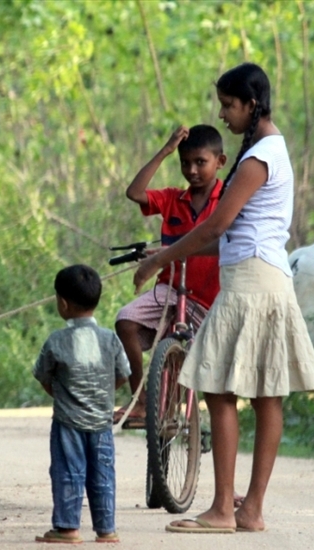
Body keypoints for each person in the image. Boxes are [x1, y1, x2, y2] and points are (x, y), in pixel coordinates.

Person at [133, 63, 314, 533]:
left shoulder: (259, 157)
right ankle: (250, 510)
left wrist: (160, 261)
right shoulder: (270, 150)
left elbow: (216, 226)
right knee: (265, 396)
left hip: (250, 282)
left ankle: (225, 508)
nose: (222, 114)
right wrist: (168, 251)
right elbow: (231, 236)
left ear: (250, 104)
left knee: (219, 388)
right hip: (265, 274)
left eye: (227, 105)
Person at [114, 124, 226, 427]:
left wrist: (169, 251)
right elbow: (134, 192)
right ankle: (140, 400)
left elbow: (226, 240)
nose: (192, 170)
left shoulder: (227, 200)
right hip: (170, 290)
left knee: (187, 362)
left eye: (200, 162)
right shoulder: (173, 199)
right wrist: (165, 150)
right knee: (125, 320)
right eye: (185, 163)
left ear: (220, 162)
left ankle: (174, 411)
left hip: (209, 300)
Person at [32, 264, 131, 544]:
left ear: (62, 303)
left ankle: (67, 528)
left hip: (68, 422)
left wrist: (63, 396)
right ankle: (106, 529)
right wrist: (102, 394)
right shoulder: (110, 339)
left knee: (68, 471)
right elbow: (123, 374)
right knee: (103, 473)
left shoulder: (56, 340)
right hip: (101, 422)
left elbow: (44, 377)